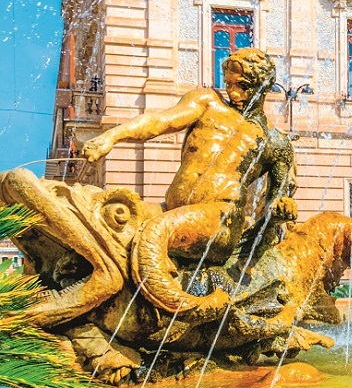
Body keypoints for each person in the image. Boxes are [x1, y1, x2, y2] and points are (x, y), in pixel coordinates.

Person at [81, 48, 296, 319]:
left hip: (220, 220)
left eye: (242, 87)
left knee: (155, 232)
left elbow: (276, 206)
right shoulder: (207, 102)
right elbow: (161, 122)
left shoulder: (276, 143)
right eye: (228, 84)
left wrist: (281, 210)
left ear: (264, 87)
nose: (234, 93)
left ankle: (182, 312)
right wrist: (112, 136)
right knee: (102, 216)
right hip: (170, 210)